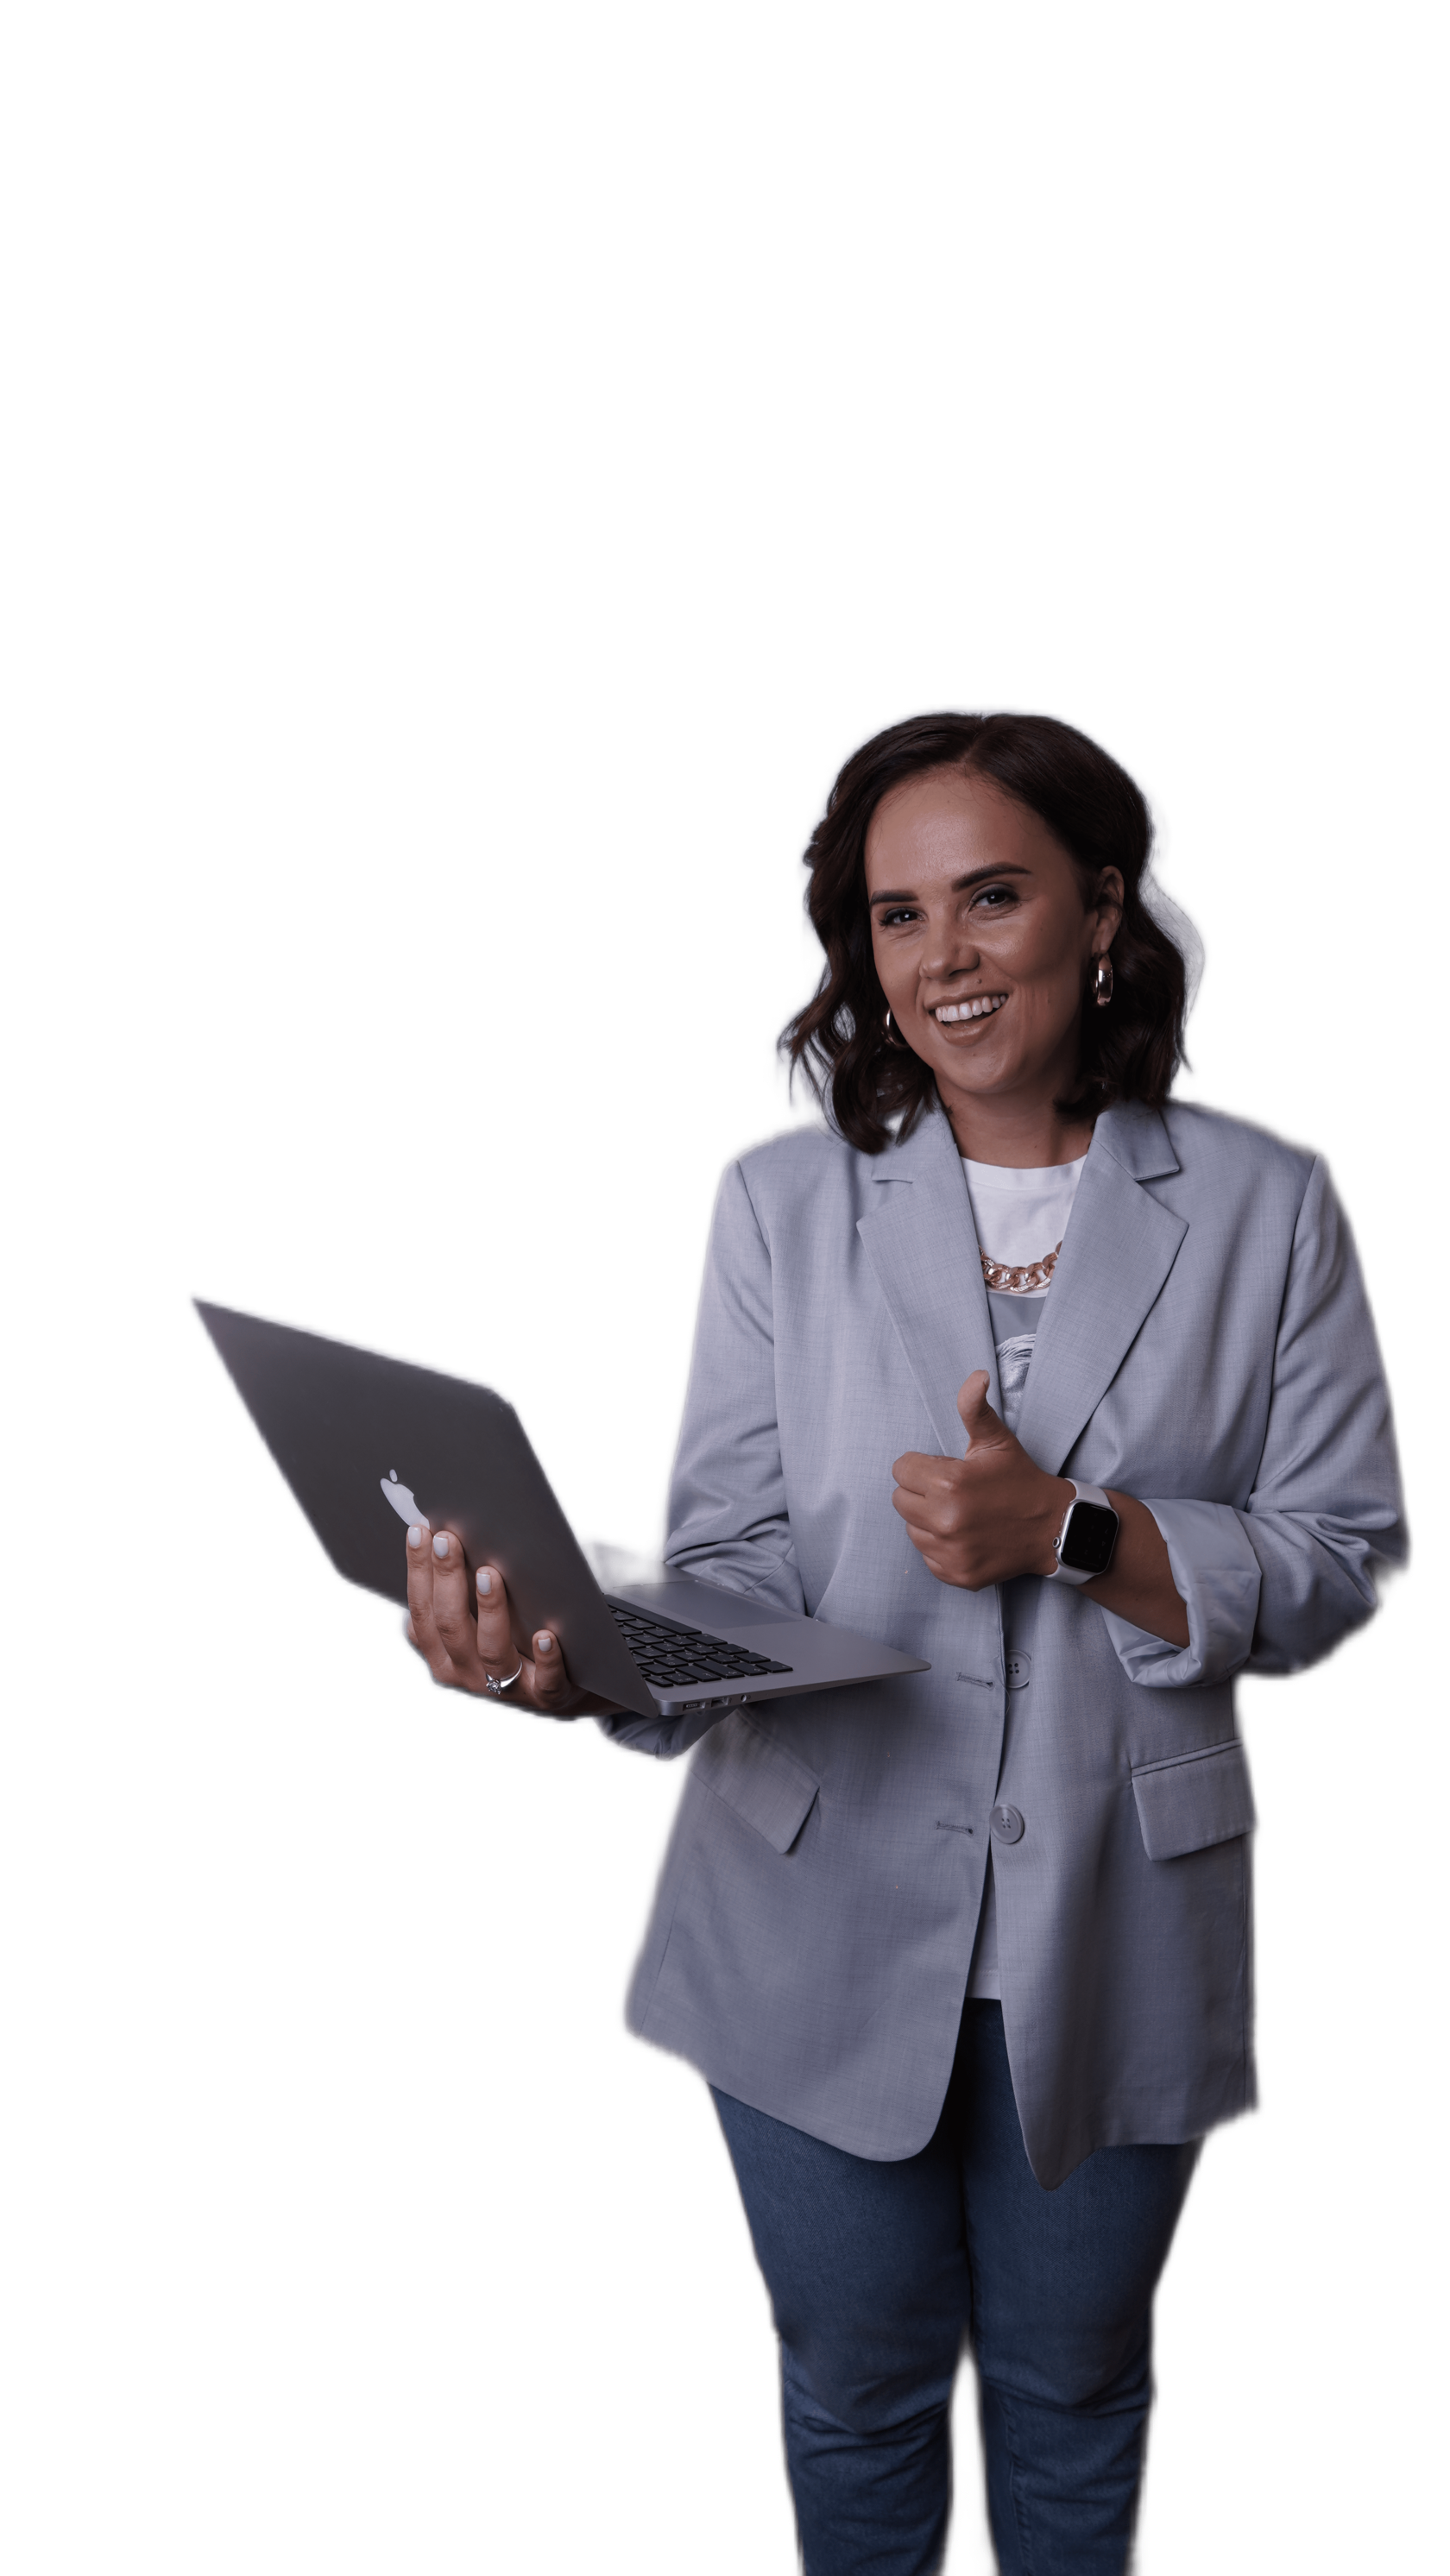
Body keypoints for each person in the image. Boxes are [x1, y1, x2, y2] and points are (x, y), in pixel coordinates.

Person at [400, 712, 1410, 2575]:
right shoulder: (779, 1197)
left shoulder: (1272, 1198)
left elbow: (1348, 1559)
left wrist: (1080, 1534)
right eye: (895, 915)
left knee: (1077, 2387)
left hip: (1117, 1913)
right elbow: (727, 1559)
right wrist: (563, 1665)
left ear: (1101, 907)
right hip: (804, 1896)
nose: (943, 956)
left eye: (992, 896)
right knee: (852, 2390)